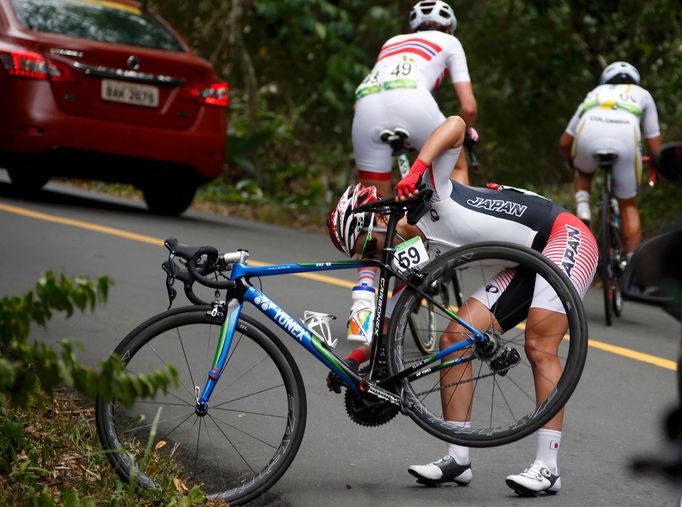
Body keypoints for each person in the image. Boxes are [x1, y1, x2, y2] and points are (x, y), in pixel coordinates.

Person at [328, 115, 599, 496]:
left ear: (376, 223)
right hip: (520, 261)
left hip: (565, 236)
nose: (372, 256)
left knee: (540, 343)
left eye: (367, 247)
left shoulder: (430, 194)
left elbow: (455, 124)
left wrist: (418, 168)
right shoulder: (415, 254)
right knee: (455, 337)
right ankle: (457, 457)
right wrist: (356, 360)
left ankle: (548, 467)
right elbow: (392, 318)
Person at [348, 0, 477, 339]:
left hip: (366, 107)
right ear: (448, 28)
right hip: (413, 104)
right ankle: (448, 227)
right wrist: (470, 129)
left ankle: (360, 313)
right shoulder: (450, 42)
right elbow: (467, 106)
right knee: (457, 158)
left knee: (372, 214)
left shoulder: (392, 41)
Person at [559, 61, 662, 259]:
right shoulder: (643, 95)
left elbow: (565, 142)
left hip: (588, 131)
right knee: (628, 205)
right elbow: (655, 146)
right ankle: (632, 264)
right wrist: (656, 163)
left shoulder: (595, 93)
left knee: (582, 170)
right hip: (626, 137)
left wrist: (573, 163)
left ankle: (583, 209)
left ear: (605, 80)